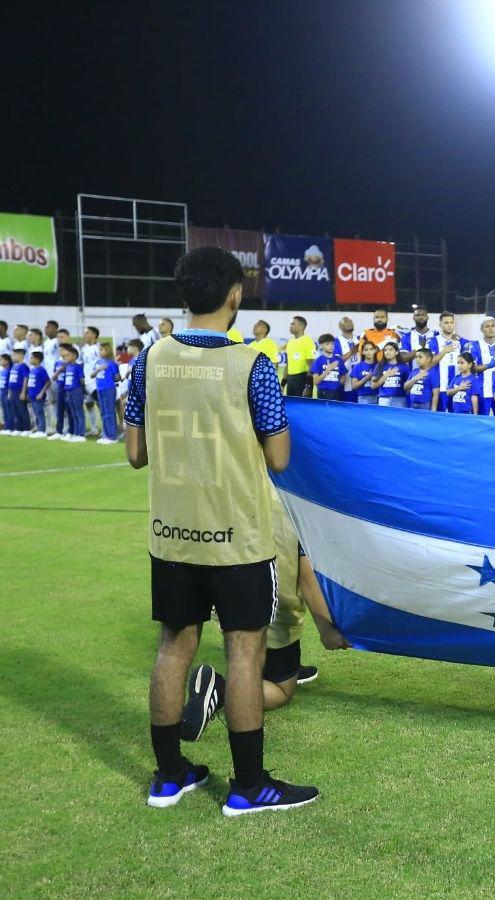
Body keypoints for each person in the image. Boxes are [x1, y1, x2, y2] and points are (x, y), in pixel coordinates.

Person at [124, 245, 316, 816]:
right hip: (235, 535)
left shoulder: (149, 359)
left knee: (173, 647)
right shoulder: (252, 363)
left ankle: (169, 776)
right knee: (242, 653)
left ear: (183, 296)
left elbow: (135, 452)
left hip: (172, 532)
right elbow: (279, 457)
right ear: (236, 295)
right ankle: (249, 786)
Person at [180, 490, 349, 740]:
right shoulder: (292, 500)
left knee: (249, 647)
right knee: (281, 690)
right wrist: (325, 628)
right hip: (271, 610)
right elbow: (304, 575)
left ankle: (283, 667)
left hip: (228, 588)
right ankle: (220, 687)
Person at [470, 316, 495, 414]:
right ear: (482, 329)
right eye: (487, 326)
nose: (491, 329)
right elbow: (472, 368)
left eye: (493, 326)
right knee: (482, 422)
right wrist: (492, 364)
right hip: (483, 392)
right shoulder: (475, 346)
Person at [428, 312, 463, 411]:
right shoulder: (433, 341)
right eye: (446, 322)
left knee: (456, 417)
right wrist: (444, 351)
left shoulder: (460, 340)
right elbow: (429, 363)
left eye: (451, 322)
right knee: (440, 417)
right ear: (440, 325)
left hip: (457, 386)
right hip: (440, 386)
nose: (449, 325)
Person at [92, 343, 121, 444]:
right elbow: (92, 375)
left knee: (109, 412)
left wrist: (117, 369)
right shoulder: (98, 362)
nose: (100, 352)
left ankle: (112, 436)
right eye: (99, 350)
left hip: (109, 389)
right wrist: (99, 369)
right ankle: (105, 434)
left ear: (107, 351)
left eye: (102, 350)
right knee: (103, 412)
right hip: (100, 389)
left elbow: (118, 378)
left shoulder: (111, 363)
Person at [284, 317, 316, 397]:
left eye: (293, 324)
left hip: (303, 378)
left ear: (301, 326)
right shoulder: (290, 342)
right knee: (291, 405)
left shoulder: (307, 340)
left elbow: (311, 363)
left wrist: (308, 386)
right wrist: (283, 383)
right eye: (290, 324)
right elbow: (288, 363)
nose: (290, 326)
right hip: (291, 379)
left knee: (303, 406)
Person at [60, 345, 86, 442]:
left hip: (76, 391)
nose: (66, 357)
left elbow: (81, 379)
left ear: (75, 356)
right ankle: (75, 432)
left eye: (68, 355)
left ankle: (81, 434)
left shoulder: (77, 367)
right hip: (68, 391)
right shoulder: (68, 367)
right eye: (65, 356)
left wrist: (83, 390)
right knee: (73, 413)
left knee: (79, 412)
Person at [81, 327, 103, 436]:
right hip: (86, 381)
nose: (85, 335)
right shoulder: (84, 348)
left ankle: (105, 429)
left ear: (94, 335)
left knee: (100, 404)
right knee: (89, 404)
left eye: (87, 333)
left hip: (96, 381)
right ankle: (94, 428)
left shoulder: (98, 348)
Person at [310, 335, 347, 401]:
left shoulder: (338, 360)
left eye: (332, 344)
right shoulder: (318, 361)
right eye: (327, 344)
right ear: (321, 345)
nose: (331, 346)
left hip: (337, 392)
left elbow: (343, 377)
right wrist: (327, 371)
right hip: (323, 392)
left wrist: (337, 385)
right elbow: (315, 381)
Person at [373, 342, 409, 408]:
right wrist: (386, 375)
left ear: (397, 352)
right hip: (384, 399)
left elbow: (408, 385)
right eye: (385, 350)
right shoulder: (380, 366)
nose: (387, 352)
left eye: (390, 349)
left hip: (399, 399)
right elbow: (373, 386)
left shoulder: (403, 366)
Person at [25, 350, 49, 437]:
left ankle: (42, 430)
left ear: (37, 359)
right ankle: (38, 428)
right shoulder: (32, 370)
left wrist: (41, 393)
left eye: (32, 358)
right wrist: (28, 393)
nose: (30, 360)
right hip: (32, 395)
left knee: (39, 412)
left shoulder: (41, 370)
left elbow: (47, 382)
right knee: (35, 412)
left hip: (38, 395)